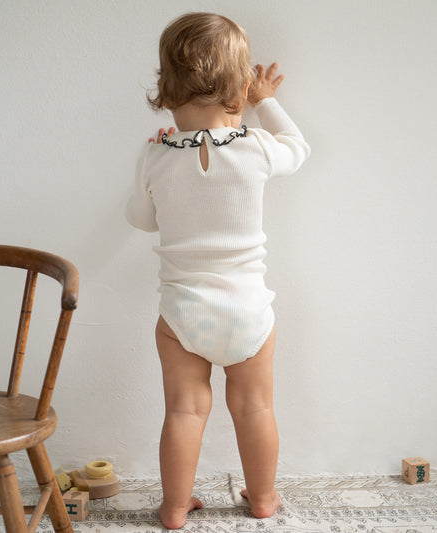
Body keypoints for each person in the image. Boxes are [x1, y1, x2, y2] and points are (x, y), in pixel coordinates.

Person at [126, 12, 310, 530]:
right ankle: (263, 498)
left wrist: (156, 162)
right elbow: (299, 148)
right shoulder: (256, 147)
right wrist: (266, 102)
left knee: (184, 411)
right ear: (240, 89)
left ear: (166, 89)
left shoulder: (156, 155)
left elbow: (140, 220)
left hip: (183, 313)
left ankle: (174, 507)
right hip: (248, 311)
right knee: (255, 409)